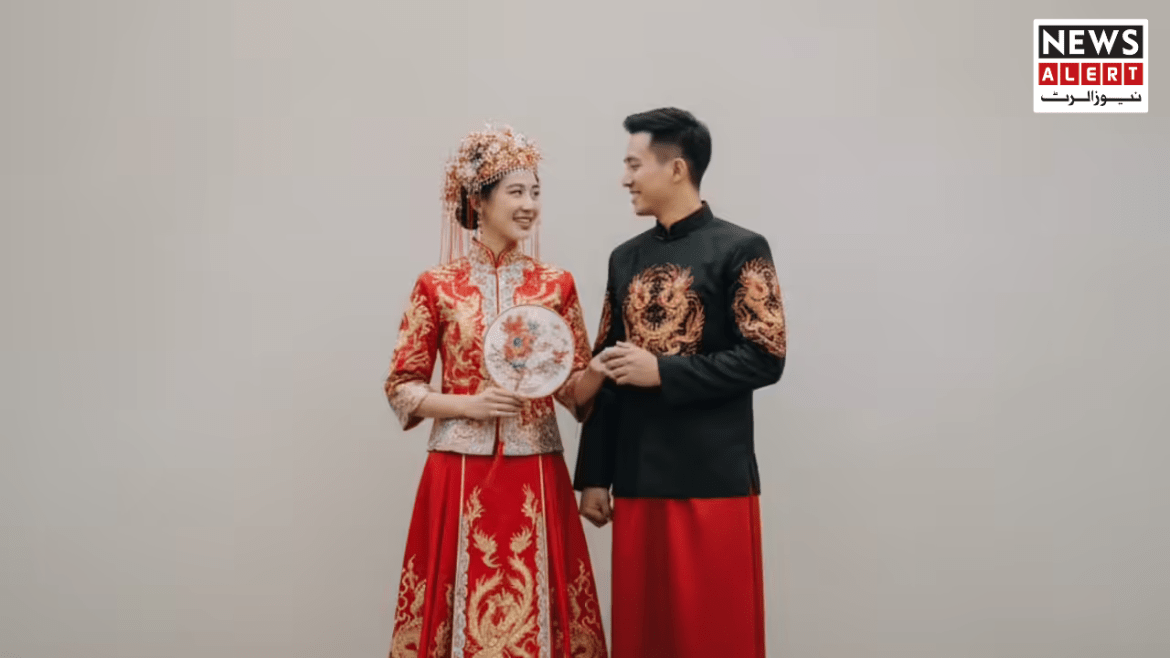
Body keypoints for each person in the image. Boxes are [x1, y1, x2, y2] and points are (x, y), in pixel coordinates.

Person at [384, 124, 609, 658]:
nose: (530, 205)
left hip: (536, 465)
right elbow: (400, 387)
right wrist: (470, 405)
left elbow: (575, 395)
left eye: (536, 192)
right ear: (477, 201)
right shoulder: (436, 286)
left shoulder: (557, 285)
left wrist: (602, 368)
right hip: (458, 471)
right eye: (516, 192)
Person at [574, 107, 787, 658]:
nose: (624, 178)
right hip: (638, 476)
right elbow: (606, 364)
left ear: (676, 168)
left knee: (714, 638)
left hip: (712, 477)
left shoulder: (740, 248)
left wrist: (662, 371)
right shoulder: (625, 259)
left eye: (633, 163)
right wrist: (595, 474)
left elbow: (766, 357)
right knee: (644, 639)